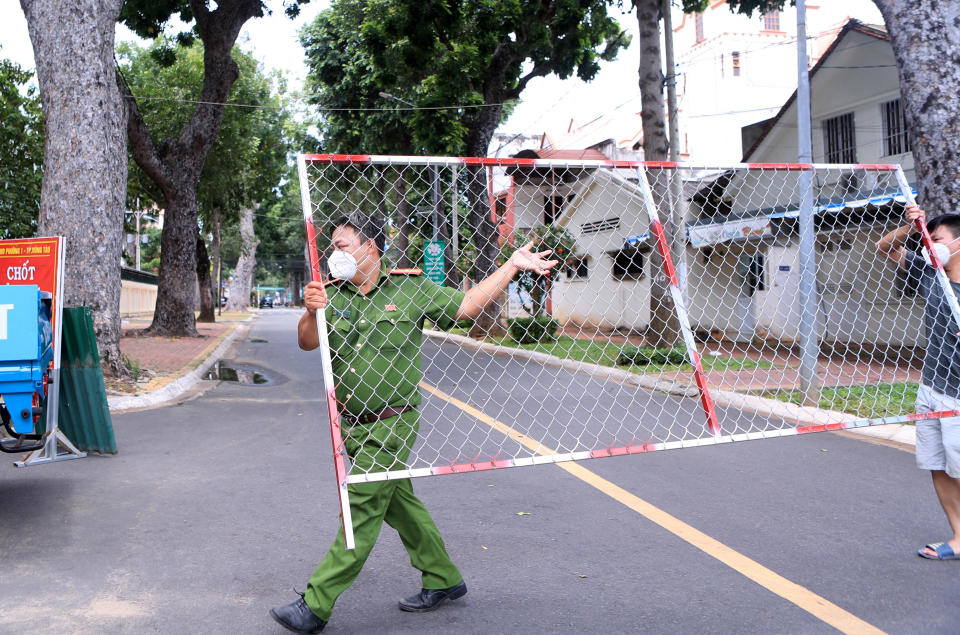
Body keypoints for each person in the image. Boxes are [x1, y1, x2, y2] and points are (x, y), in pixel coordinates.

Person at [271, 211, 558, 633]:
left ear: (370, 247)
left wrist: (511, 266)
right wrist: (311, 311)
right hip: (353, 425)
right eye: (332, 246)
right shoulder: (334, 294)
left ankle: (315, 604)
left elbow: (464, 306)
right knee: (399, 503)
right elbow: (307, 341)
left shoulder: (409, 289)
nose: (335, 254)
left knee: (363, 507)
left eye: (342, 245)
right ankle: (443, 578)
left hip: (392, 424)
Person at [876, 204, 960, 561]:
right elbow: (885, 249)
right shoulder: (930, 273)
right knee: (937, 465)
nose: (929, 246)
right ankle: (959, 537)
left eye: (936, 239)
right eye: (926, 240)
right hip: (930, 389)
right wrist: (913, 227)